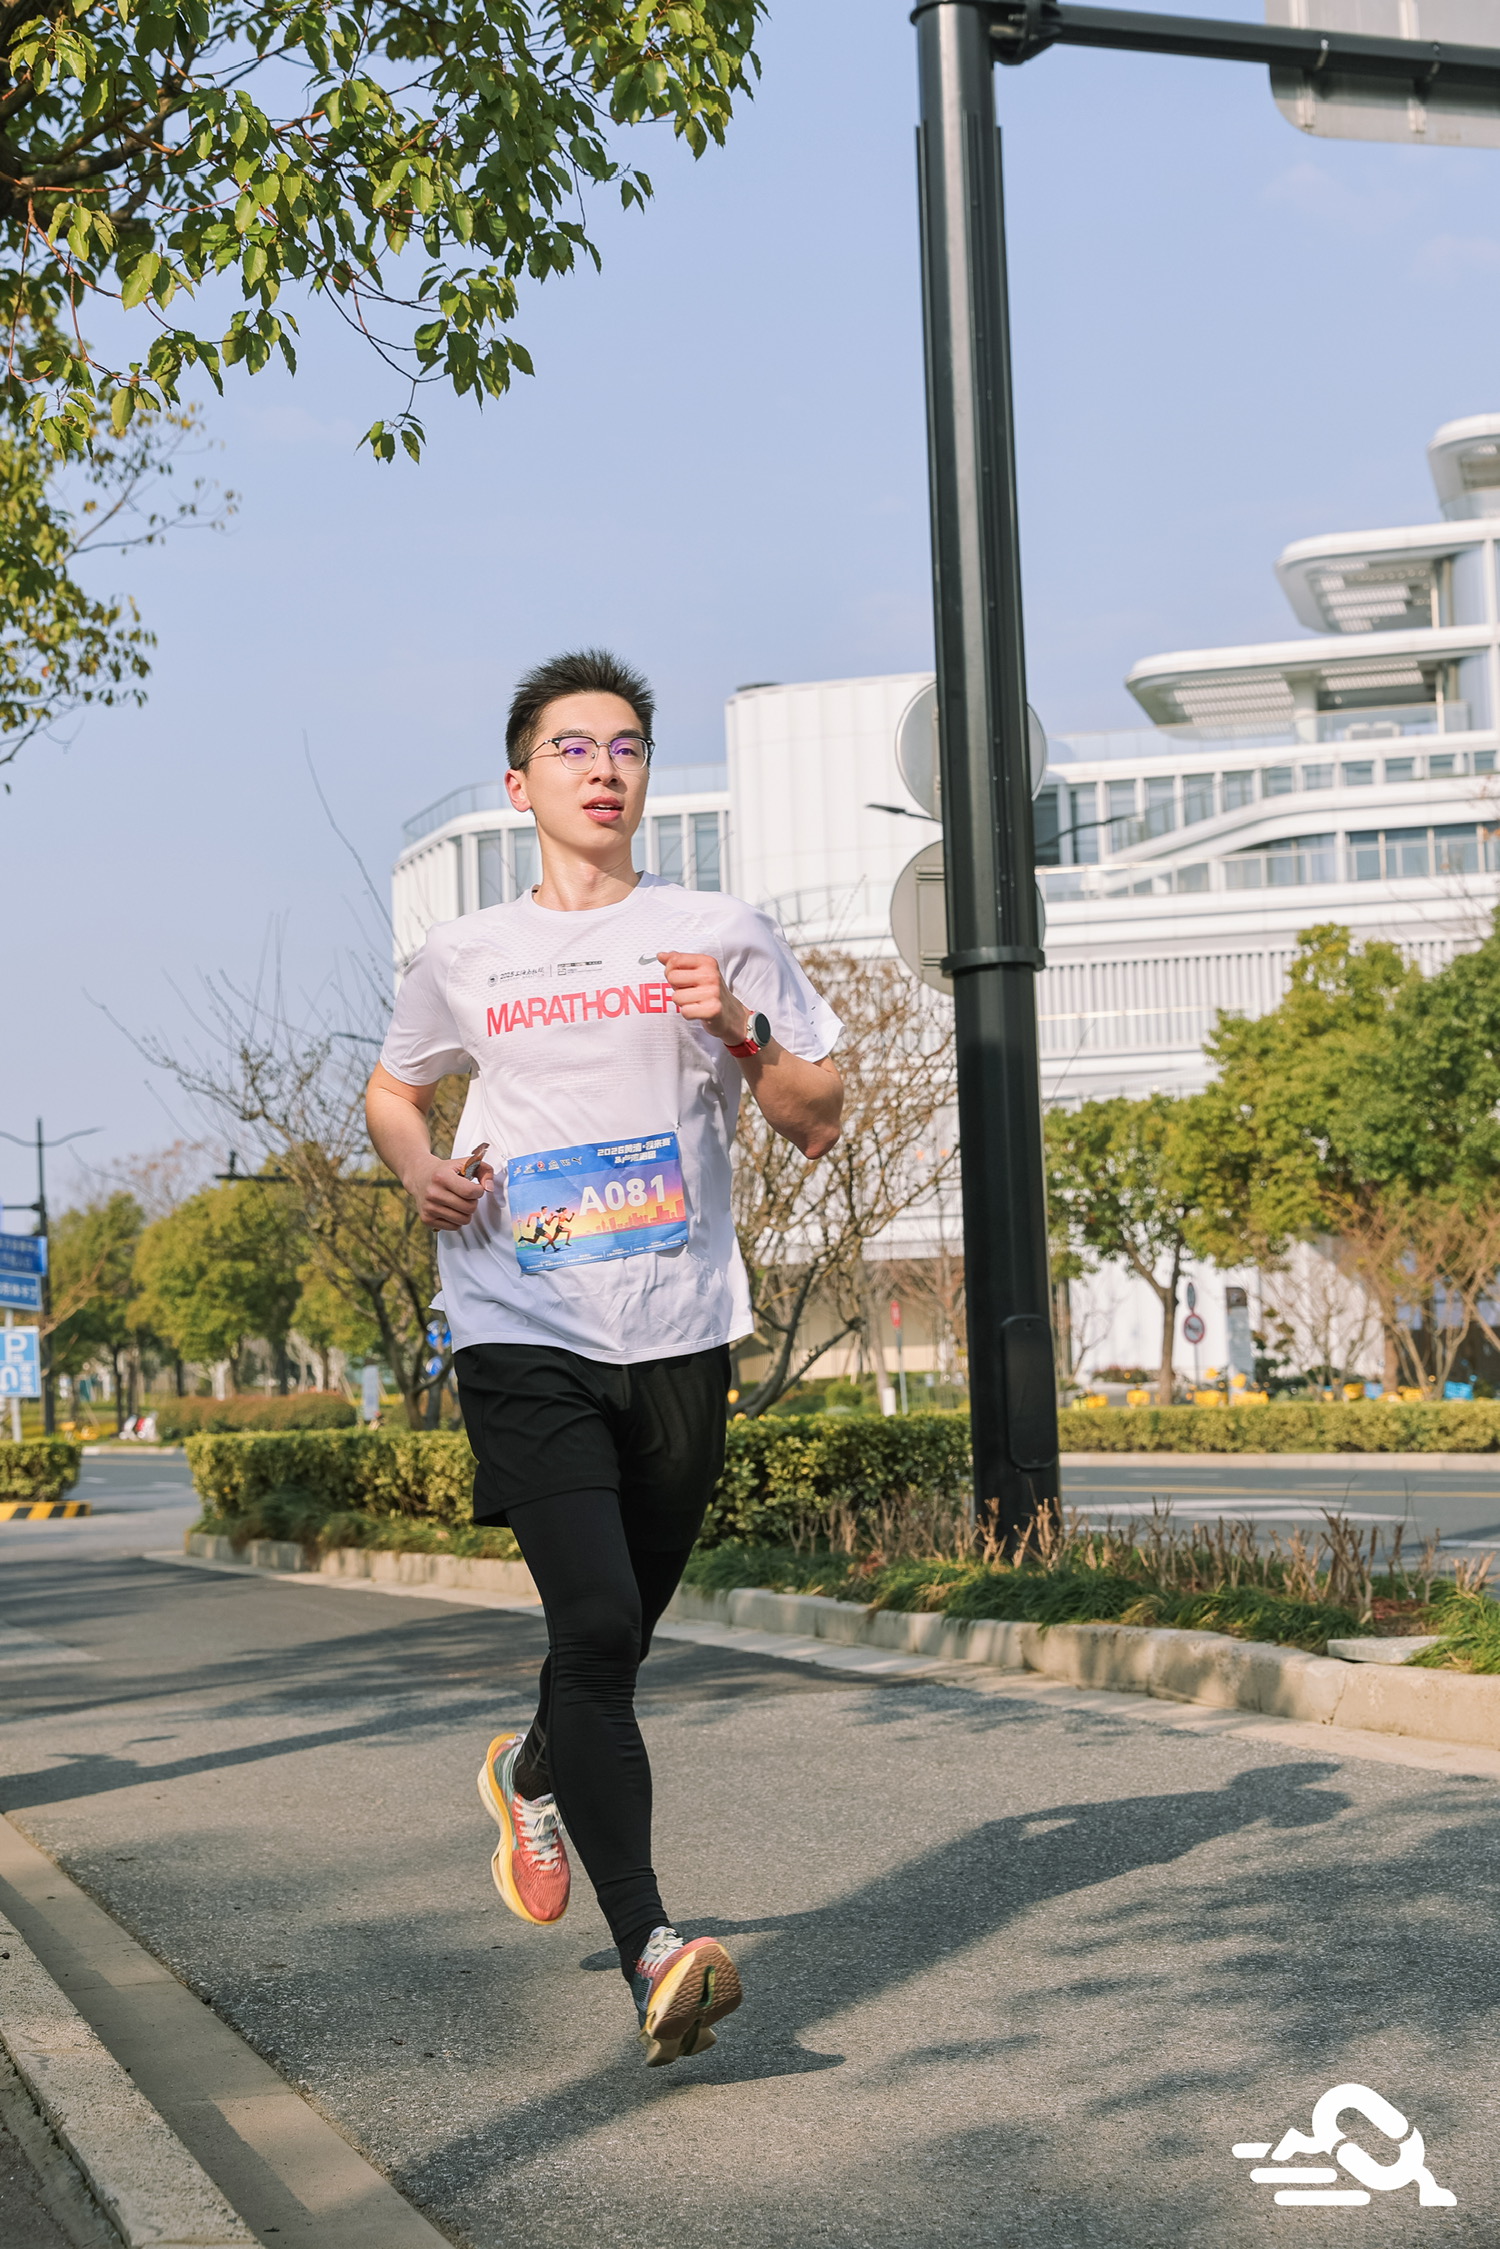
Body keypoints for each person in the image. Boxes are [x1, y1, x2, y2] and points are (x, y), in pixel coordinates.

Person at [366, 648, 843, 2067]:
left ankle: (529, 1766)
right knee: (591, 1626)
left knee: (618, 1634)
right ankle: (654, 1948)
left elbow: (818, 1113)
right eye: (572, 747)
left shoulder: (718, 930)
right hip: (520, 1324)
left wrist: (738, 1028)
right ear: (521, 786)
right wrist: (418, 1170)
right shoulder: (463, 954)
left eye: (626, 745)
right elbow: (395, 1088)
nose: (603, 767)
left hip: (679, 1328)